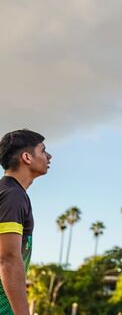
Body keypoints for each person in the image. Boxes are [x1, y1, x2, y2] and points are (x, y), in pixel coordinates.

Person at [0, 130, 51, 315]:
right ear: (27, 157)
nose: (49, 156)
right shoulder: (13, 196)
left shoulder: (11, 193)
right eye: (43, 151)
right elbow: (8, 259)